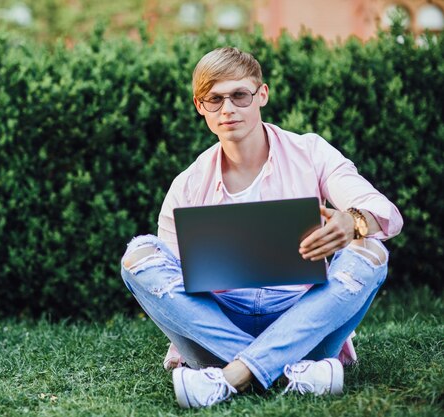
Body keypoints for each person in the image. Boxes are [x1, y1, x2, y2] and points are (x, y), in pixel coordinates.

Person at [120, 47, 403, 408]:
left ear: (262, 94)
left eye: (239, 95)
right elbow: (175, 282)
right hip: (217, 320)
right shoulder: (188, 183)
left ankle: (230, 376)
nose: (227, 109)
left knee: (371, 250)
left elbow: (385, 212)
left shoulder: (310, 152)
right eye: (215, 99)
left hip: (305, 314)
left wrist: (354, 221)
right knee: (138, 255)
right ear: (199, 106)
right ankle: (293, 371)